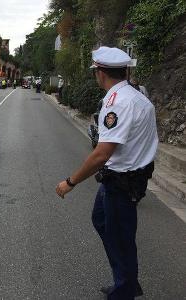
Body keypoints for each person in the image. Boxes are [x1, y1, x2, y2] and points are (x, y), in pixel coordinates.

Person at [55, 46, 158, 300]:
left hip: (122, 182)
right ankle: (126, 279)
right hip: (124, 176)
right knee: (101, 220)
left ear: (100, 73)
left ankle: (124, 290)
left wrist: (71, 182)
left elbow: (102, 153)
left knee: (121, 238)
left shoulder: (117, 103)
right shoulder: (136, 96)